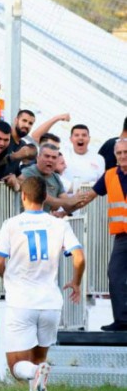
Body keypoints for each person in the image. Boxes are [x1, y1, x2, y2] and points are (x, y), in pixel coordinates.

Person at [0, 176, 85, 391]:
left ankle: (34, 375)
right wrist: (76, 282)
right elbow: (79, 257)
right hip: (50, 302)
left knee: (17, 367)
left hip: (21, 302)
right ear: (45, 198)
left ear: (23, 196)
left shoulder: (12, 224)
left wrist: (7, 277)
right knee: (39, 359)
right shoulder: (59, 224)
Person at [76, 138, 127, 331]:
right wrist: (65, 210)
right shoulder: (110, 175)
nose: (123, 156)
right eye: (119, 153)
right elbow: (89, 196)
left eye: (126, 152)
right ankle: (122, 321)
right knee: (114, 275)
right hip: (122, 237)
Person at [62, 124, 106, 189]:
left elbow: (100, 184)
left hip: (89, 194)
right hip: (65, 194)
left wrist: (80, 189)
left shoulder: (99, 159)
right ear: (71, 139)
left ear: (89, 139)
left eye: (84, 135)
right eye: (76, 135)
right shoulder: (63, 155)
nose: (80, 138)